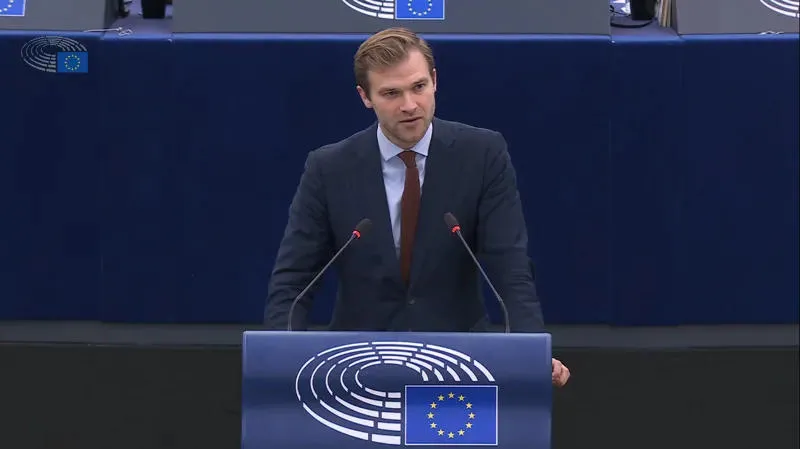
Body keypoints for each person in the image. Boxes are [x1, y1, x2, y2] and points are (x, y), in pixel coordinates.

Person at [264, 27, 570, 387]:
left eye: (419, 87)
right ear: (365, 97)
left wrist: (530, 350)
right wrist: (280, 358)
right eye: (391, 93)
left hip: (458, 361)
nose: (409, 105)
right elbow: (294, 280)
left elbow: (510, 267)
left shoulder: (483, 154)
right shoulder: (329, 168)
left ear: (434, 81)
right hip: (357, 362)